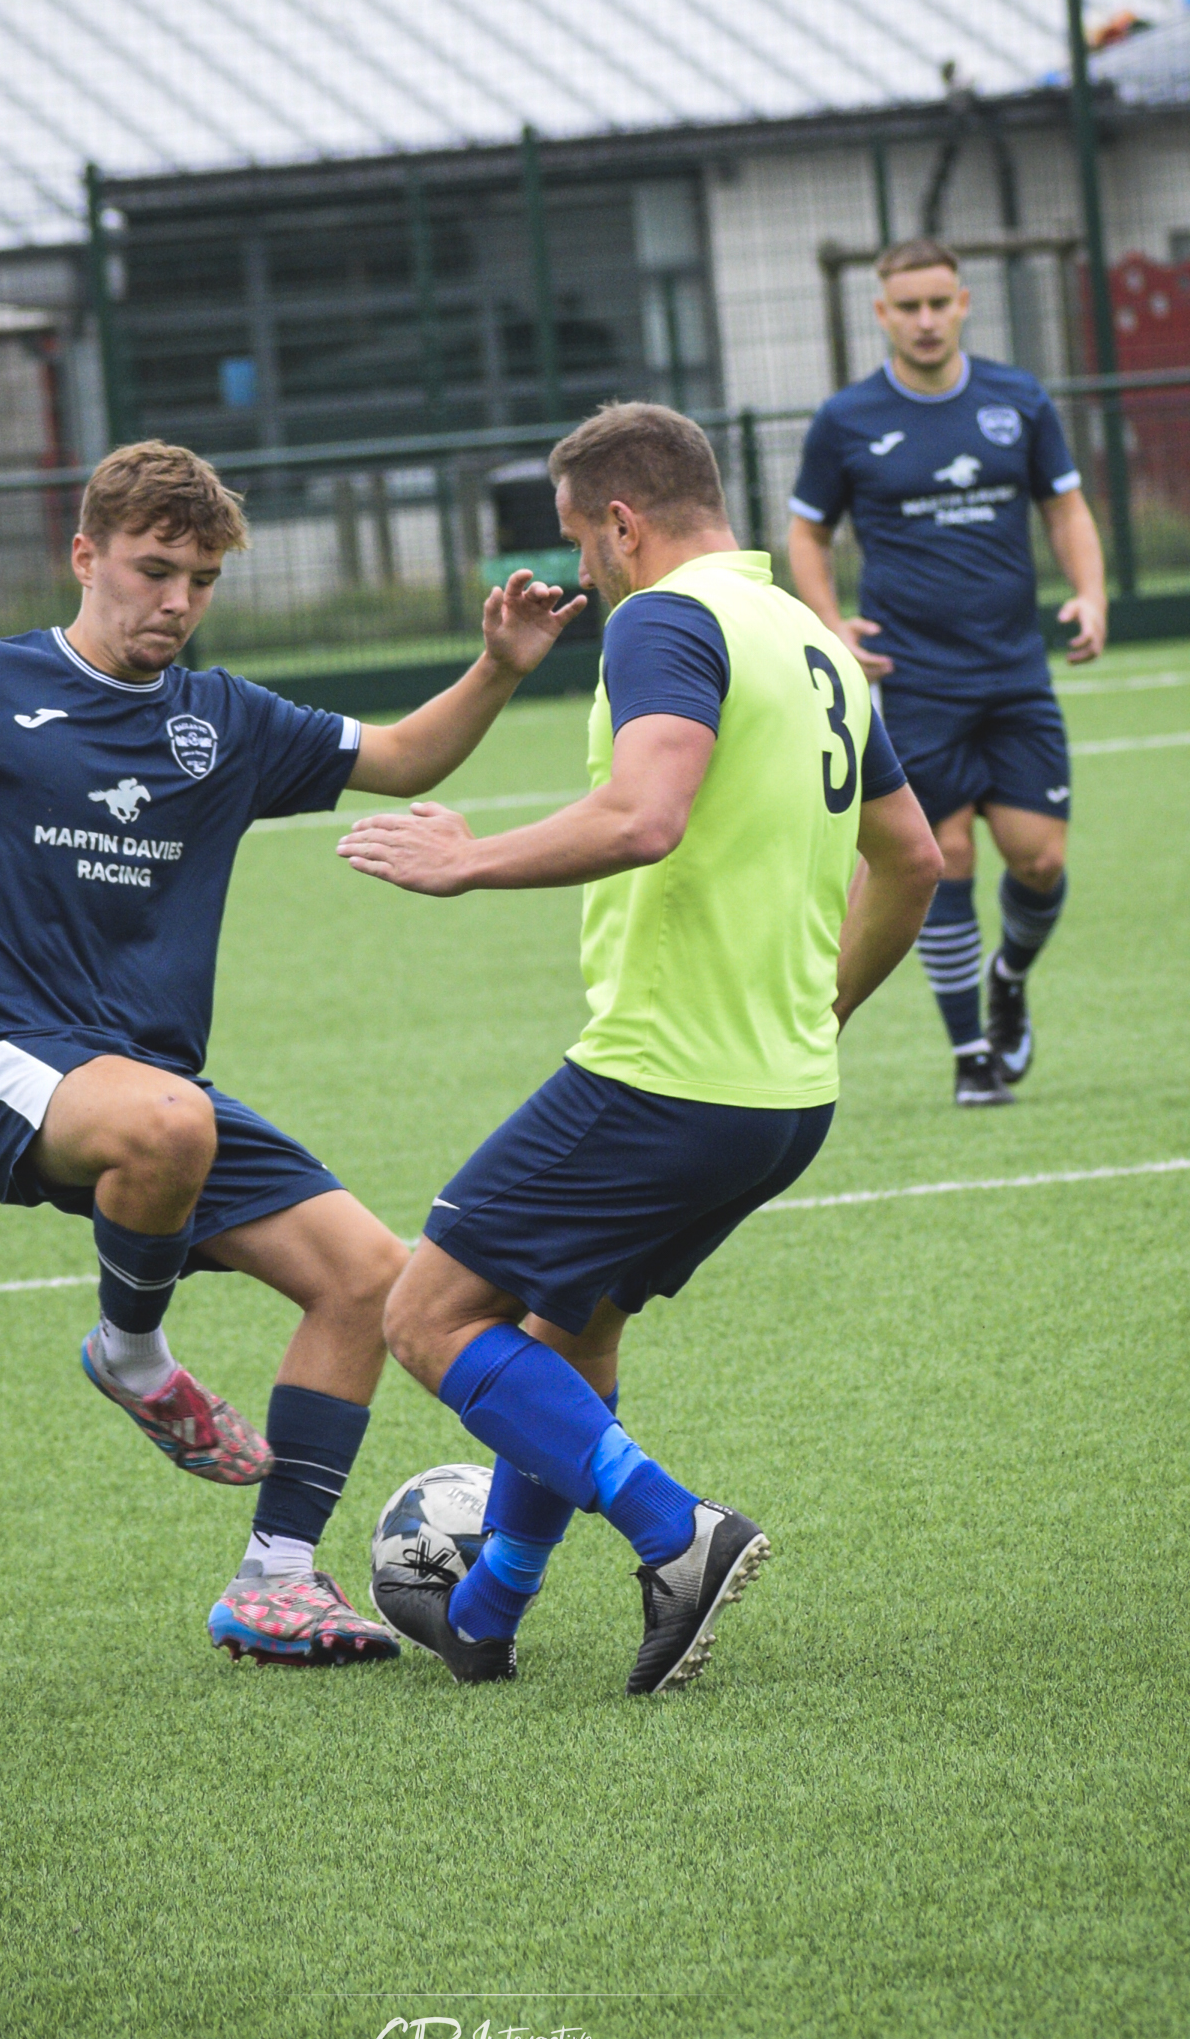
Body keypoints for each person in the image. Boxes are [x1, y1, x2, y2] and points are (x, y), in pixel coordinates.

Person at [0, 440, 585, 1668]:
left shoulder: (223, 720)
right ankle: (132, 1352)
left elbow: (402, 757)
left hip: (150, 1092)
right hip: (1, 1064)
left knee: (373, 1276)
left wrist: (497, 668)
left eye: (199, 579)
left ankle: (275, 1582)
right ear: (83, 555)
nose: (176, 603)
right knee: (168, 1124)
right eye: (153, 571)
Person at [337, 403, 941, 1695]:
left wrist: (465, 861)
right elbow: (916, 861)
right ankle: (488, 1610)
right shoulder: (808, 638)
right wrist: (816, 1013)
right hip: (780, 1094)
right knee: (568, 1327)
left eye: (580, 542)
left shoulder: (669, 617)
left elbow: (646, 814)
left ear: (621, 519)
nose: (585, 575)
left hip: (662, 1072)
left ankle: (676, 1532)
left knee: (429, 1313)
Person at [787, 238, 1109, 1106]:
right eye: (908, 307)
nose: (925, 321)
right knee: (947, 854)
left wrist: (1090, 592)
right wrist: (827, 619)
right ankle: (971, 1054)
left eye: (939, 303)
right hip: (911, 675)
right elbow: (807, 533)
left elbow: (1065, 505)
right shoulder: (846, 418)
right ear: (881, 313)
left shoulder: (1017, 398)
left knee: (1037, 860)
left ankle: (1008, 977)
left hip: (1013, 671)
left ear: (963, 303)